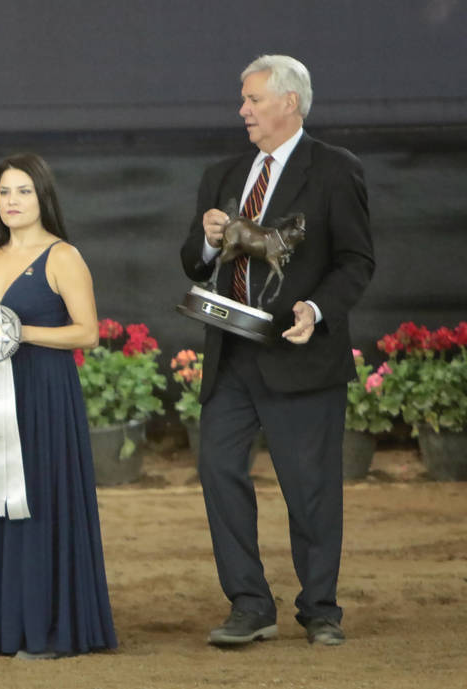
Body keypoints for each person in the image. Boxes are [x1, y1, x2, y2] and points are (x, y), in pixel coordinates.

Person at [180, 55, 374, 647]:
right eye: (243, 100)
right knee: (217, 471)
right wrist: (210, 244)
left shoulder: (335, 171)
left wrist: (314, 311)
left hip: (302, 354)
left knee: (310, 487)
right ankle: (249, 603)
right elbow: (193, 260)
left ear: (289, 102)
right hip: (232, 356)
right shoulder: (222, 172)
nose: (243, 110)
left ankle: (320, 609)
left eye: (253, 99)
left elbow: (355, 261)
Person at [0, 153, 117, 658]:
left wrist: (19, 333)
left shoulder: (62, 255)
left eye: (23, 191)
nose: (12, 201)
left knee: (39, 502)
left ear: (43, 196)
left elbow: (87, 332)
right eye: (4, 192)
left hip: (43, 396)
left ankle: (48, 629)